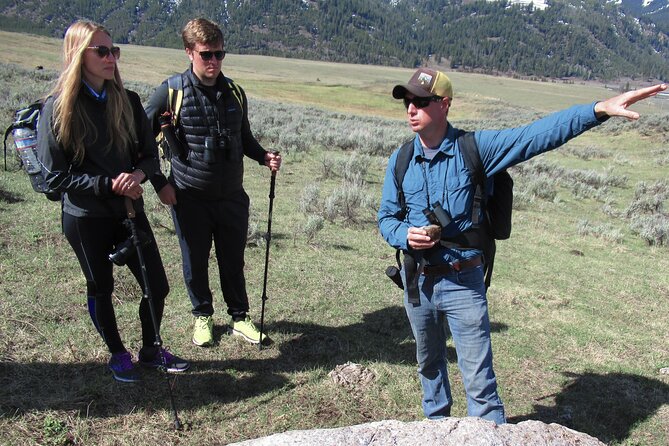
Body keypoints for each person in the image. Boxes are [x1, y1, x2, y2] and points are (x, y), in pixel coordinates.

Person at [378, 67, 666, 423]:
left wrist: (599, 109)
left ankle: (488, 432)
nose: (411, 109)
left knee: (479, 380)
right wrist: (404, 235)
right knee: (429, 365)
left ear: (445, 104)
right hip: (418, 282)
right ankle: (436, 429)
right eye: (407, 101)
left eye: (421, 101)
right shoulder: (400, 160)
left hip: (463, 281)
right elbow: (386, 219)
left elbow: (537, 135)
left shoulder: (476, 148)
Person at [37, 20, 190, 383]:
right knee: (100, 287)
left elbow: (149, 156)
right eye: (102, 51)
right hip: (85, 216)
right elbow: (53, 178)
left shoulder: (129, 101)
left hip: (129, 210)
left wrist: (137, 177)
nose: (111, 58)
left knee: (157, 284)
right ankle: (118, 354)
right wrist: (109, 184)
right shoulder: (58, 108)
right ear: (78, 56)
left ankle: (151, 349)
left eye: (114, 51)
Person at [145, 18, 282, 347]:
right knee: (194, 259)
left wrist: (264, 156)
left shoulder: (235, 92)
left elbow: (244, 137)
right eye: (207, 55)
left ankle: (239, 317)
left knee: (233, 259)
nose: (214, 62)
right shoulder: (171, 91)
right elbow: (142, 142)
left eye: (220, 54)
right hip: (189, 195)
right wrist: (159, 182)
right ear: (189, 52)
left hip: (232, 196)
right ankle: (202, 316)